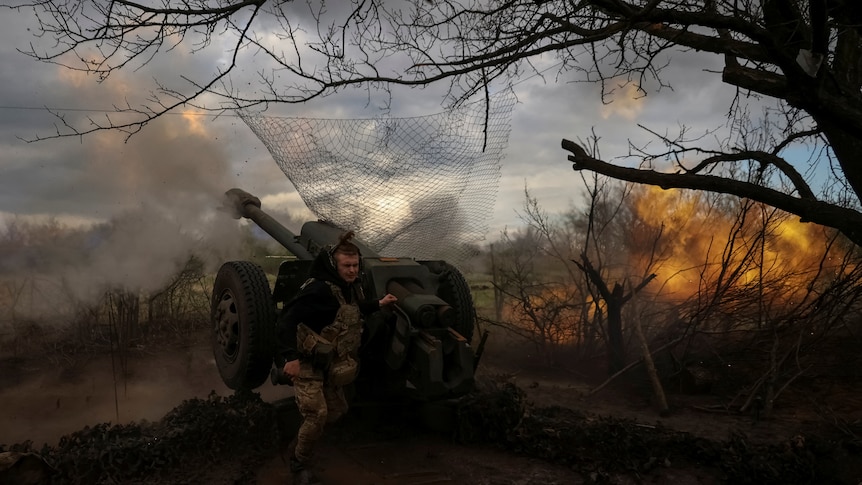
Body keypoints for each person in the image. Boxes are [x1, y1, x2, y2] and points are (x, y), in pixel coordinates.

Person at [275, 230, 397, 485]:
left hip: (330, 362)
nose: (352, 270)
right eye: (347, 266)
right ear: (334, 265)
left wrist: (379, 303)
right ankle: (298, 465)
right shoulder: (318, 289)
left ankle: (299, 440)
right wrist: (289, 359)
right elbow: (286, 320)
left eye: (355, 265)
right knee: (316, 414)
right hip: (307, 361)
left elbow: (350, 311)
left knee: (337, 410)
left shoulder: (350, 288)